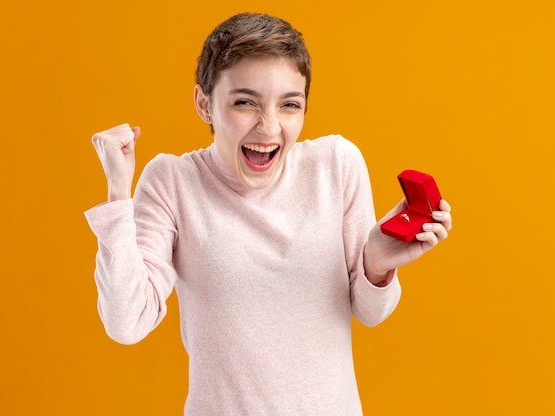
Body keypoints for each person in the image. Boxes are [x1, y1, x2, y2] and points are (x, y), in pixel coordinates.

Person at [85, 12, 452, 415]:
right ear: (204, 104)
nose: (269, 127)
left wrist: (376, 263)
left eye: (289, 105)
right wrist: (119, 196)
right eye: (245, 102)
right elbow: (127, 322)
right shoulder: (173, 182)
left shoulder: (336, 165)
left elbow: (370, 312)